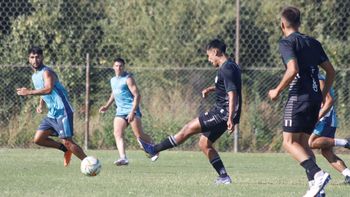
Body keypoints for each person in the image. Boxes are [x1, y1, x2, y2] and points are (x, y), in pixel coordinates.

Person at [138, 39, 242, 185]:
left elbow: (233, 93)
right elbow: (228, 86)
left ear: (215, 52)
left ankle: (154, 149)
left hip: (222, 113)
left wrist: (230, 117)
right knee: (204, 143)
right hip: (224, 113)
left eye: (209, 55)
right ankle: (224, 177)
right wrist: (212, 89)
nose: (209, 59)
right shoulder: (231, 66)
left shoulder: (226, 68)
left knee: (187, 129)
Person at [268, 6, 336, 197]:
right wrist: (322, 96)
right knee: (304, 144)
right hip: (314, 98)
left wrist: (277, 91)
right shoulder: (313, 42)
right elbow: (331, 71)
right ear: (299, 23)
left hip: (298, 97)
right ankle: (316, 187)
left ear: (283, 24)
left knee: (289, 142)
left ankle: (318, 174)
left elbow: (293, 69)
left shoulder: (286, 43)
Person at [16, 46, 87, 167]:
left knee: (67, 141)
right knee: (38, 139)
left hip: (63, 110)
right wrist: (40, 104)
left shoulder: (47, 72)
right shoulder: (35, 76)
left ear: (42, 57)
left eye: (37, 57)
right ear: (28, 59)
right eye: (32, 57)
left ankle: (89, 163)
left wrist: (28, 92)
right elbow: (42, 91)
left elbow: (48, 89)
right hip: (52, 113)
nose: (35, 60)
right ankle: (65, 150)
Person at [99, 57, 158, 166]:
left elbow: (137, 95)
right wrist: (107, 106)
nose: (118, 68)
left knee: (139, 136)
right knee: (117, 132)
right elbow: (114, 93)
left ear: (124, 67)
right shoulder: (112, 80)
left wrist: (132, 112)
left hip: (131, 110)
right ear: (113, 67)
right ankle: (123, 158)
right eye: (116, 66)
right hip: (120, 112)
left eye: (121, 66)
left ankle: (154, 147)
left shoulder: (128, 78)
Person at [309, 74, 350, 184]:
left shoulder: (317, 77)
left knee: (311, 143)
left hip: (325, 118)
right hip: (321, 117)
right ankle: (348, 175)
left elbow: (329, 100)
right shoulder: (307, 76)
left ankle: (346, 142)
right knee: (326, 151)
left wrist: (319, 116)